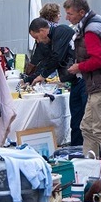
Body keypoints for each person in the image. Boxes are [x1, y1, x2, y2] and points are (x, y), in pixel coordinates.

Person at [65, 0, 101, 159]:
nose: (66, 17)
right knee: (87, 127)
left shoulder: (90, 31)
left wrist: (79, 67)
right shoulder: (96, 23)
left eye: (70, 14)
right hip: (100, 85)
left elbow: (98, 60)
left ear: (81, 12)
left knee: (99, 130)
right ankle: (89, 167)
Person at [28, 17, 87, 146]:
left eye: (37, 37)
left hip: (83, 79)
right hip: (75, 81)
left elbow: (56, 57)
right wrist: (32, 77)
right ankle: (77, 149)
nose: (37, 41)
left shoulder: (61, 32)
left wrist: (42, 75)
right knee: (76, 118)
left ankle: (86, 149)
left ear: (43, 30)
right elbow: (45, 60)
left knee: (85, 118)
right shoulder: (50, 40)